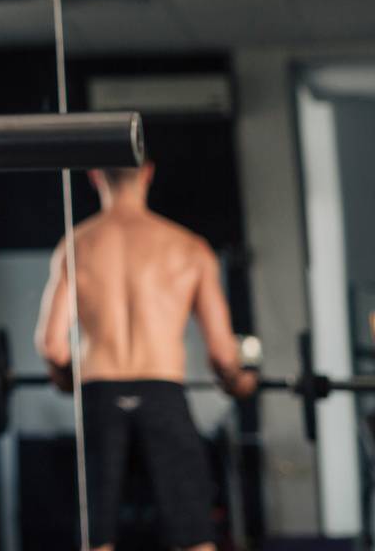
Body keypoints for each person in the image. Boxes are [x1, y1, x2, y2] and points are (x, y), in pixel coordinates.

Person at [36, 161, 258, 551]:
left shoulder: (77, 244)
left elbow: (52, 345)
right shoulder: (188, 247)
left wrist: (66, 381)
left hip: (99, 395)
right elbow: (223, 353)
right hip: (163, 393)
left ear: (95, 176)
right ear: (148, 173)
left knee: (97, 536)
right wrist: (240, 383)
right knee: (193, 537)